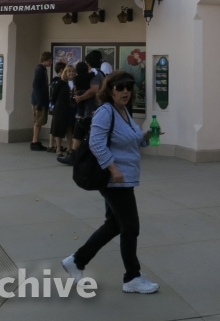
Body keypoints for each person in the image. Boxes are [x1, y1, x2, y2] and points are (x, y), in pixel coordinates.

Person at [61, 70, 160, 294]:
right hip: (115, 179)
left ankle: (77, 260)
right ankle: (132, 277)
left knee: (114, 225)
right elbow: (96, 143)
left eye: (129, 87)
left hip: (124, 177)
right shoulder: (105, 112)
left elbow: (129, 140)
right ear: (110, 90)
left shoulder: (123, 111)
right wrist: (113, 168)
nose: (126, 91)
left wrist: (145, 138)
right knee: (131, 228)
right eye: (120, 87)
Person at [50, 64, 76, 158]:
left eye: (73, 71)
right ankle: (58, 149)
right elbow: (54, 97)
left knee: (70, 128)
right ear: (65, 72)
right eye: (69, 71)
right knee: (59, 129)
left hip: (72, 108)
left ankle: (69, 148)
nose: (71, 73)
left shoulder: (76, 82)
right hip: (61, 109)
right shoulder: (60, 83)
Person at [30, 52, 53, 151]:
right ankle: (35, 141)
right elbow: (35, 85)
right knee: (38, 121)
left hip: (41, 99)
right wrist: (39, 101)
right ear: (46, 60)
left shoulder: (42, 69)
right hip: (39, 100)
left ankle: (36, 140)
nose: (51, 63)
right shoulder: (40, 69)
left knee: (39, 121)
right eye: (50, 60)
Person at [47, 62, 65, 152]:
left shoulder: (54, 80)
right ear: (62, 70)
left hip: (53, 105)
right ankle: (53, 145)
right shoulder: (59, 81)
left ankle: (51, 144)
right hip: (57, 104)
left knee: (53, 124)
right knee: (55, 125)